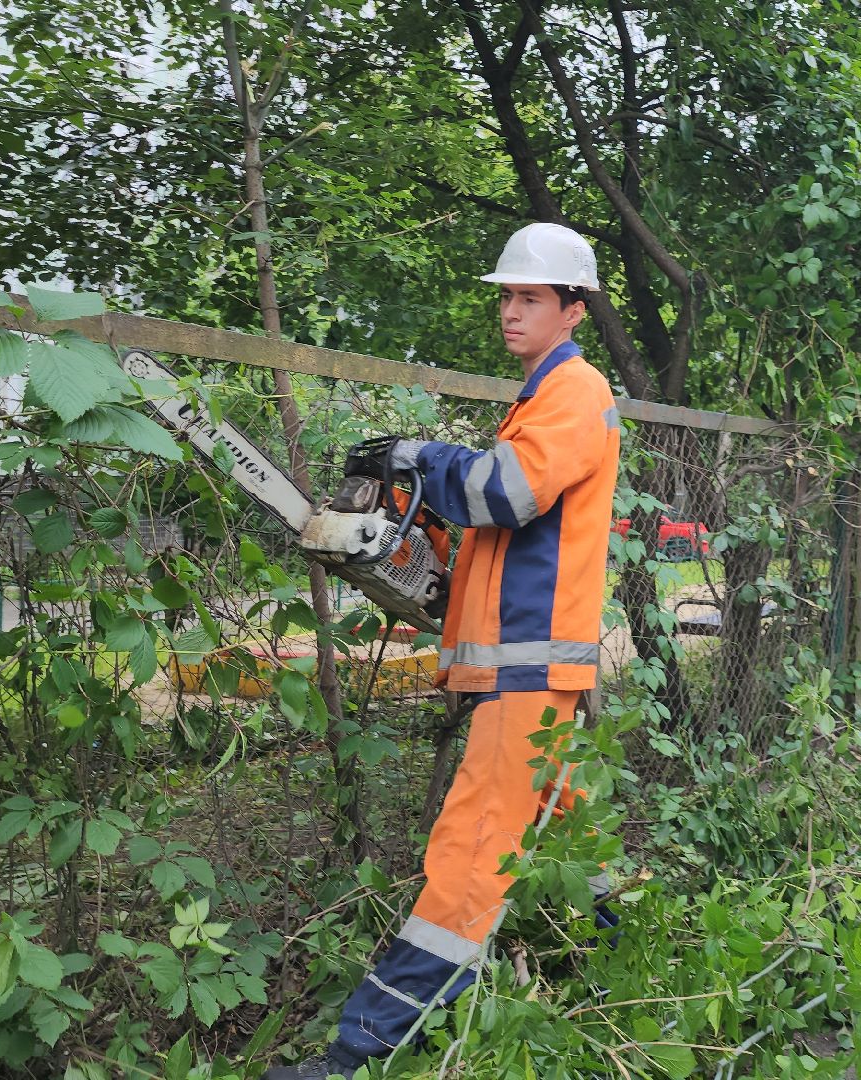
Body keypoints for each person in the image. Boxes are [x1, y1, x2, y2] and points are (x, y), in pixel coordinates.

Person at [267, 222, 621, 1080]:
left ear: (573, 308)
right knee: (570, 840)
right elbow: (504, 537)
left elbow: (503, 491)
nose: (511, 311)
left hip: (529, 672)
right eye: (506, 295)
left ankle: (359, 1053)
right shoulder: (538, 400)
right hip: (521, 668)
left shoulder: (575, 391)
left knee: (469, 859)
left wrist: (418, 455)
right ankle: (615, 973)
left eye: (529, 297)